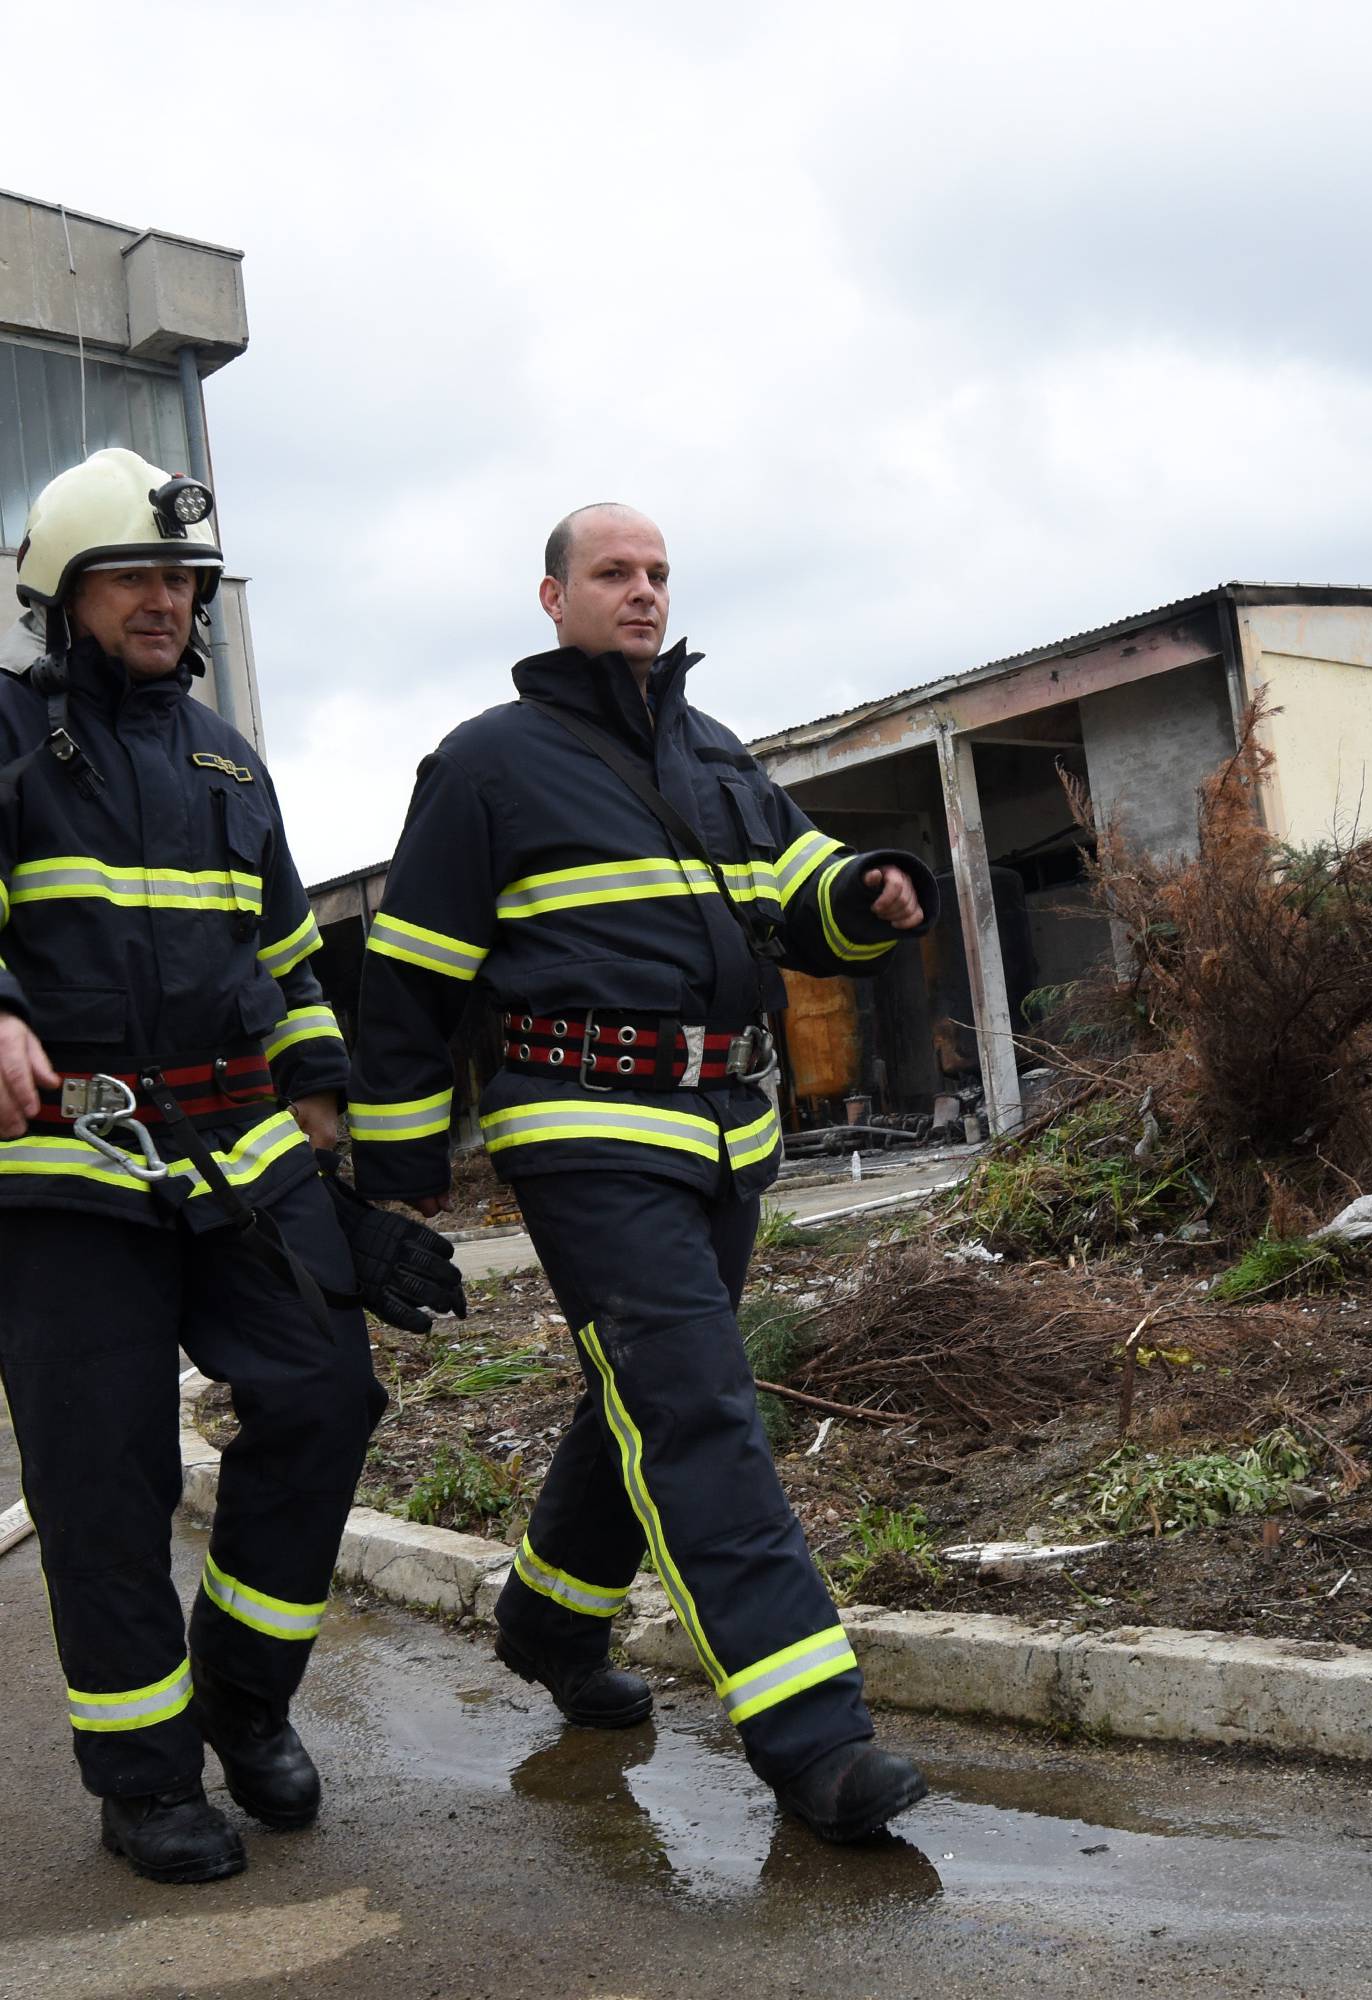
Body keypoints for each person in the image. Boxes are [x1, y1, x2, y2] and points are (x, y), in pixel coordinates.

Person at [348, 502, 939, 1842]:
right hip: (581, 1133)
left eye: (659, 572)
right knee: (698, 1407)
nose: (644, 591)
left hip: (724, 1129)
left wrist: (874, 890)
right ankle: (814, 1740)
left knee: (650, 1387)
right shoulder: (485, 766)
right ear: (551, 598)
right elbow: (408, 979)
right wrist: (390, 1180)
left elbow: (802, 885)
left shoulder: (711, 750)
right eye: (614, 571)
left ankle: (551, 1623)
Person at [0, 450, 455, 1886]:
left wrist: (326, 1105)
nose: (166, 600)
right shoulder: (3, 734)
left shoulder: (226, 756)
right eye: (134, 576)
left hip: (237, 1151)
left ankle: (242, 1700)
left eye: (182, 579)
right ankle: (144, 1781)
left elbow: (280, 955)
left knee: (327, 1392)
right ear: (63, 595)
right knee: (106, 1473)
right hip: (65, 1163)